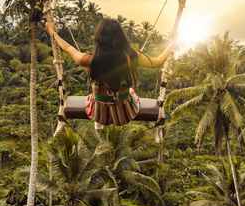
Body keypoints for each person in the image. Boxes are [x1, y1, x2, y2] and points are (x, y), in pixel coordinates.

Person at [45, 18, 174, 129]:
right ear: (121, 38)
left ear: (99, 39)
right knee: (130, 93)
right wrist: (171, 45)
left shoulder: (90, 60)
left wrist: (52, 32)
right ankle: (109, 112)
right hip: (124, 114)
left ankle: (99, 124)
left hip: (98, 113)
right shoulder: (131, 57)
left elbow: (68, 48)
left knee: (95, 96)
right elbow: (157, 61)